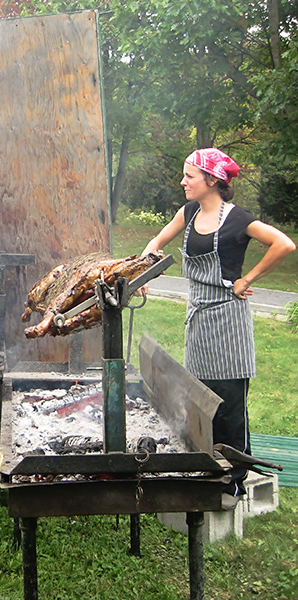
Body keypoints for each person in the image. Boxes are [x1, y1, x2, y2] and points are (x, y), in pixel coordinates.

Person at [142, 148, 295, 510]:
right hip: (198, 318)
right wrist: (144, 266)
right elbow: (156, 242)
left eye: (189, 176)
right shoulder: (189, 212)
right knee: (201, 397)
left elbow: (284, 243)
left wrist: (248, 279)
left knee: (229, 404)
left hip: (228, 320)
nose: (183, 182)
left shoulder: (238, 219)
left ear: (212, 180)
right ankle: (211, 463)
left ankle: (234, 482)